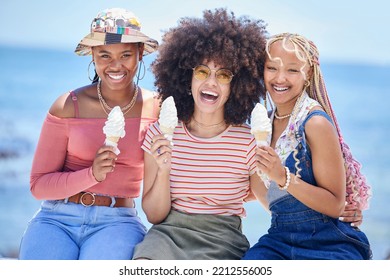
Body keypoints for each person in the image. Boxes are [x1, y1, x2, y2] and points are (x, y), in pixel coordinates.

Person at [18, 8, 160, 260]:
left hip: (118, 222)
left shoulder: (156, 108)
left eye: (126, 55)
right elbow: (38, 186)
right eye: (105, 55)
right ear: (93, 55)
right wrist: (91, 174)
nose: (116, 65)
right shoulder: (68, 105)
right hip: (56, 219)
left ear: (140, 53)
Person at [132, 8, 268, 260]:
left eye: (224, 74)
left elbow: (271, 202)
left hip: (223, 239)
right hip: (167, 235)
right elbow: (154, 215)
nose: (211, 82)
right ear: (188, 77)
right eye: (203, 71)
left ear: (237, 86)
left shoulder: (248, 141)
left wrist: (331, 208)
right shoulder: (158, 134)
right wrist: (163, 169)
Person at [242, 33, 372, 260]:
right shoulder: (264, 125)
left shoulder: (314, 123)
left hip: (328, 241)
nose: (280, 78)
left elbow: (334, 205)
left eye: (292, 70)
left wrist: (283, 177)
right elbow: (268, 199)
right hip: (279, 239)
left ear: (308, 73)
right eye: (272, 68)